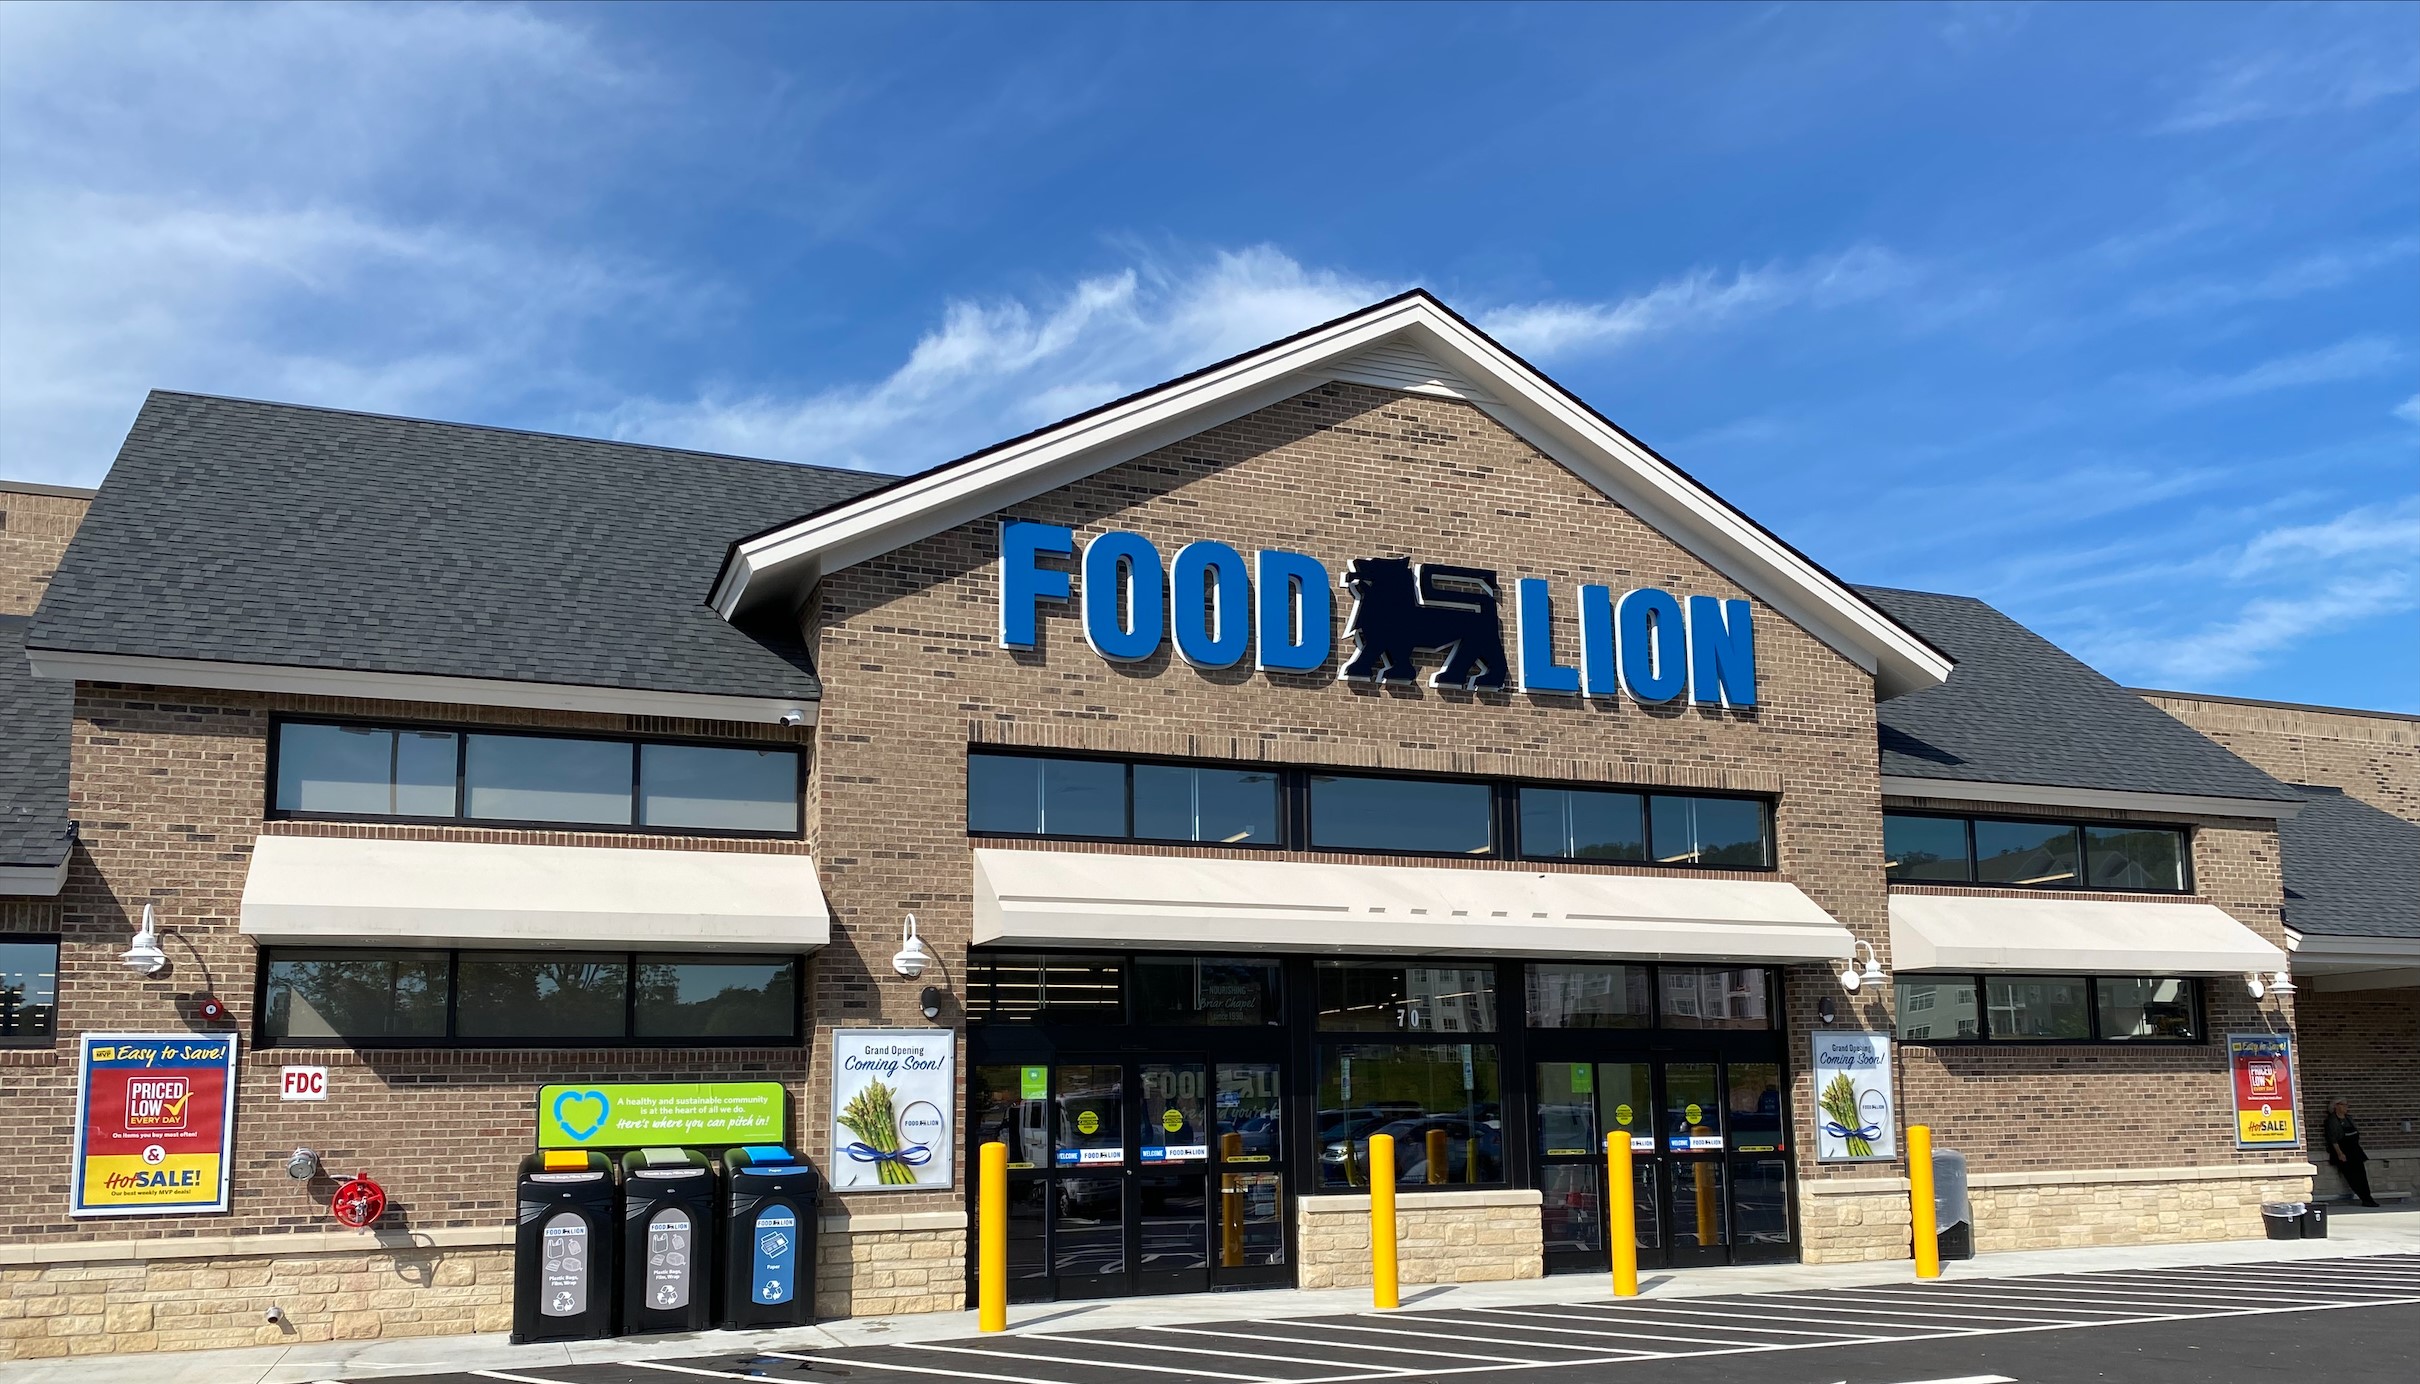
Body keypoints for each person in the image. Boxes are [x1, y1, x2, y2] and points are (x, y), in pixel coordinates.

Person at [2323, 1100, 2380, 1208]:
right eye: (2343, 1105)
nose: (2346, 1107)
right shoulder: (2332, 1121)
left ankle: (2368, 1197)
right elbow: (2333, 1139)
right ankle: (2364, 1198)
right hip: (2344, 1151)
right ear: (2336, 1106)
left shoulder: (2349, 1118)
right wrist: (2340, 1153)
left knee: (2362, 1175)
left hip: (2355, 1150)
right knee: (2352, 1177)